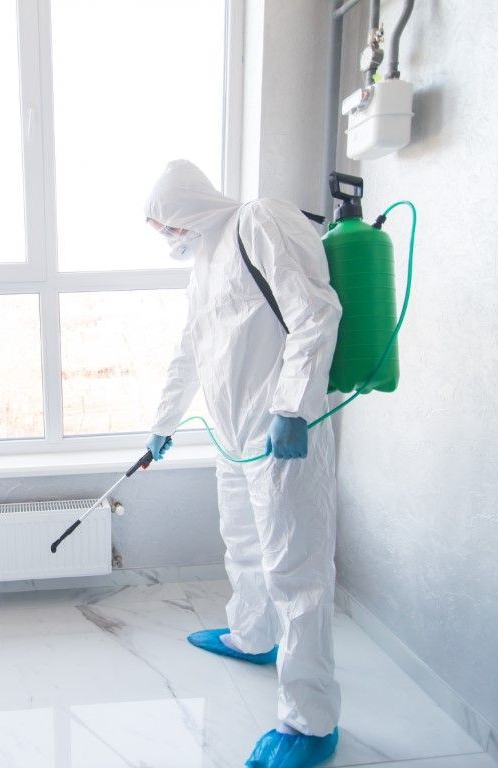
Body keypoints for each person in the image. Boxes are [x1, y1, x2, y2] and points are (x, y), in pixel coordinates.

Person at [143, 160, 343, 768]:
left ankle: (311, 723)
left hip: (282, 433)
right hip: (233, 439)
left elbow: (315, 312)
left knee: (296, 570)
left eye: (166, 226)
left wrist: (293, 406)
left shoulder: (257, 220)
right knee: (245, 546)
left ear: (185, 208)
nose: (167, 238)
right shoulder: (202, 268)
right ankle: (252, 636)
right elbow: (190, 353)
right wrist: (162, 424)